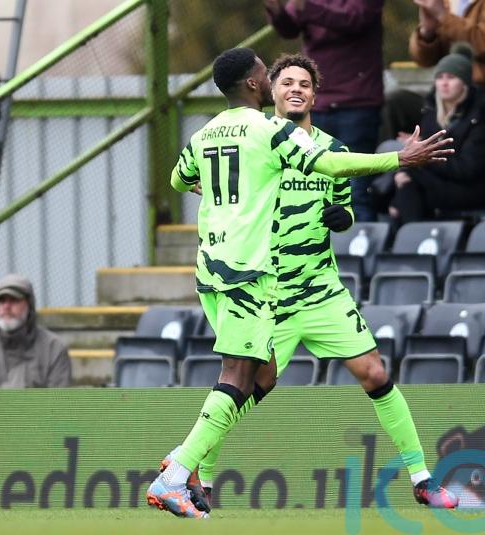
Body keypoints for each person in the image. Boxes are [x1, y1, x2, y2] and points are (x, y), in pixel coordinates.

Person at [145, 47, 453, 519]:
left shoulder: (311, 145)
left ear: (314, 93)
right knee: (246, 380)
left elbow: (180, 177)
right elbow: (319, 167)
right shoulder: (271, 137)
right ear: (262, 86)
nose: (291, 88)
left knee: (368, 372)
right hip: (265, 284)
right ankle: (187, 471)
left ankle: (422, 478)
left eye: (303, 83)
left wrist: (341, 216)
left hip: (314, 285)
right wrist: (400, 160)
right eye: (281, 80)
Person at [263, 0, 385, 222]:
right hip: (318, 105)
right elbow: (289, 28)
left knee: (355, 190)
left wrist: (306, 7)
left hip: (356, 104)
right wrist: (276, 9)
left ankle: (358, 251)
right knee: (310, 186)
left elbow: (354, 20)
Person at [387, 46, 485, 224]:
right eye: (440, 78)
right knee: (400, 176)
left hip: (469, 189)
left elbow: (468, 169)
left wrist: (427, 154)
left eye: (451, 78)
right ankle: (407, 239)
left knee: (407, 182)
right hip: (438, 181)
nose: (444, 83)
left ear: (465, 82)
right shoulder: (431, 110)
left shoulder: (482, 116)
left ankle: (406, 241)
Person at [382, 0, 485, 139]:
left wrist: (443, 16)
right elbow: (423, 60)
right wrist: (427, 32)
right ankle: (394, 157)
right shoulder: (447, 3)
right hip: (445, 95)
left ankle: (428, 148)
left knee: (464, 111)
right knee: (394, 101)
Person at [0, 274, 71, 388]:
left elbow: (57, 402)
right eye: (1, 301)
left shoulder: (54, 348)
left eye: (14, 300)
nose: (6, 306)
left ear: (29, 305)